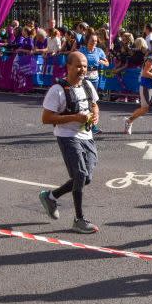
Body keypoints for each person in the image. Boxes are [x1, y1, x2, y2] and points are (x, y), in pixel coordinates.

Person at [38, 52, 101, 234]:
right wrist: (75, 117)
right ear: (69, 67)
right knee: (80, 174)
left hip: (86, 136)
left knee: (85, 178)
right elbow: (46, 118)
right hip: (67, 135)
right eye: (79, 66)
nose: (82, 70)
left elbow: (94, 104)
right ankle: (79, 220)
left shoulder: (88, 85)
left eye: (85, 66)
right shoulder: (57, 90)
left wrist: (95, 114)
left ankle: (51, 196)